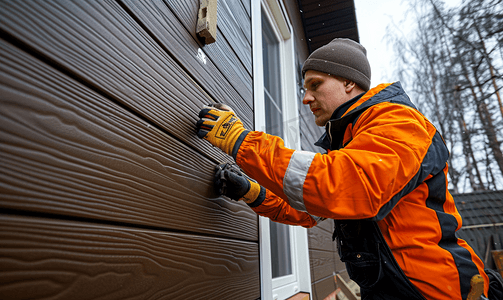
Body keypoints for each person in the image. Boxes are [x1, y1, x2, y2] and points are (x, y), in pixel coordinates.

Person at [196, 38, 489, 300]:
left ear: (349, 83)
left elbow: (344, 186)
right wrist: (251, 192)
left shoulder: (398, 122)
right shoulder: (352, 141)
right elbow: (307, 210)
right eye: (305, 88)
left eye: (315, 85)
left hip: (438, 290)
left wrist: (241, 141)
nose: (306, 98)